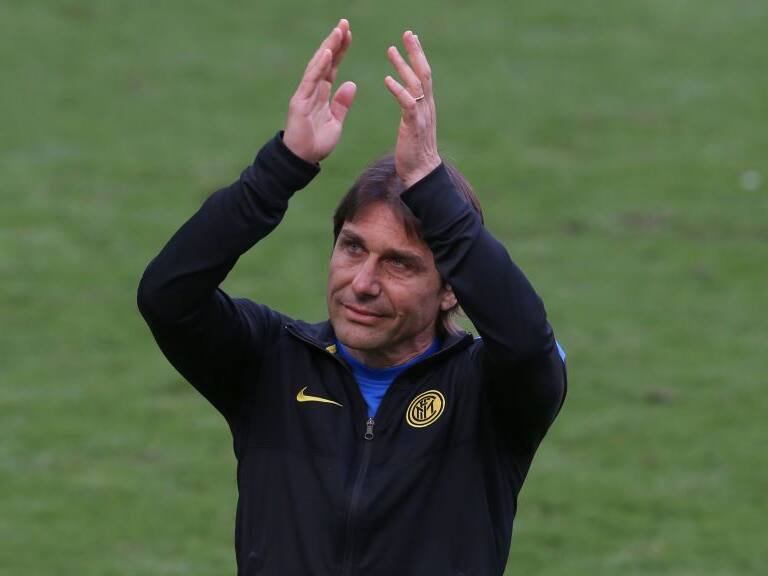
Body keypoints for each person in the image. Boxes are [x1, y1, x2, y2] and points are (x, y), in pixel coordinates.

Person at [137, 18, 566, 576]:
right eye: (352, 248)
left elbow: (529, 341)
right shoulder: (272, 361)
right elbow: (168, 295)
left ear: (450, 290)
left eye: (399, 264)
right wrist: (284, 166)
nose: (362, 283)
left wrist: (430, 183)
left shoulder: (490, 392)